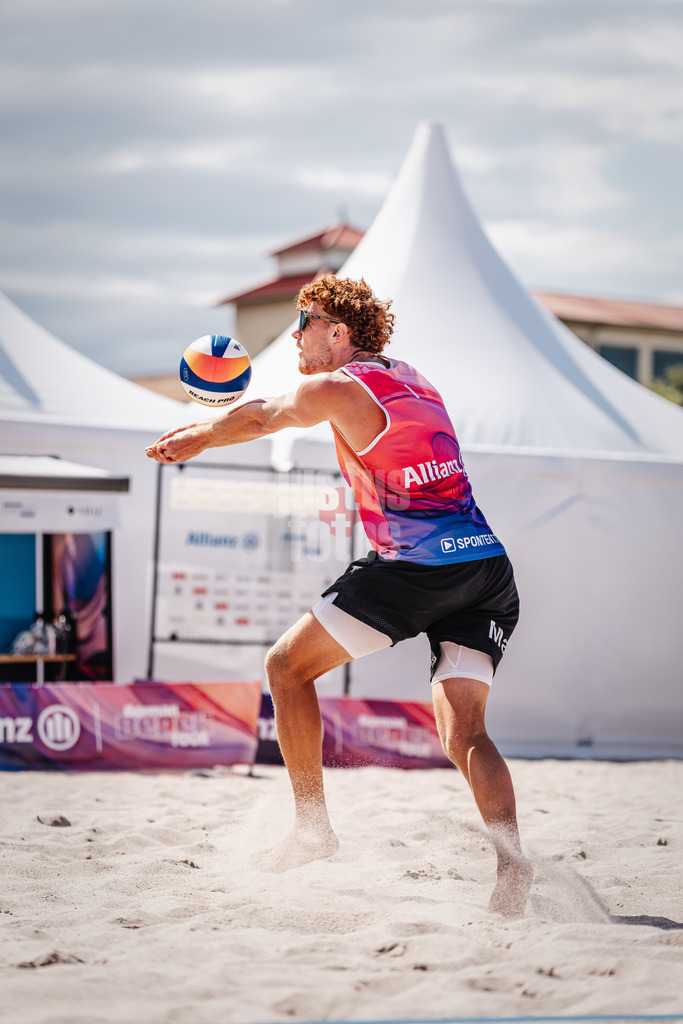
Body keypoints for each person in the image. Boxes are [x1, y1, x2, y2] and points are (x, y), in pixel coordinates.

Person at [146, 275, 533, 916]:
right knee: (465, 733)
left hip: (417, 569)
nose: (295, 333)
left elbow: (269, 414)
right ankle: (514, 871)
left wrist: (202, 434)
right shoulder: (413, 376)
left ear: (339, 332)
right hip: (488, 571)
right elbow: (282, 402)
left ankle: (312, 831)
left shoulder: (333, 387)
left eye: (306, 320)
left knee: (284, 668)